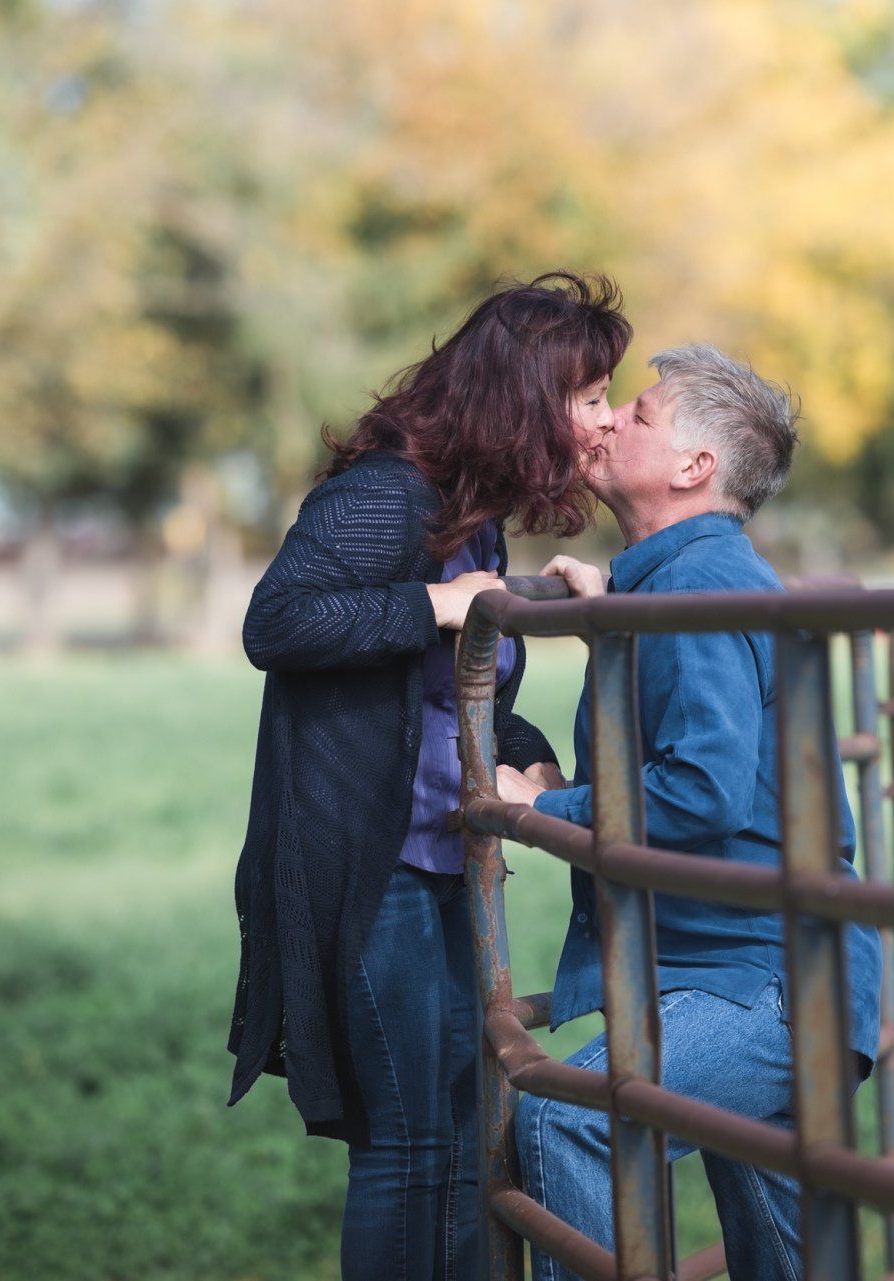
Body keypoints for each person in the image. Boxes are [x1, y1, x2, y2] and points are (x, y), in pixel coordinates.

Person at [226, 272, 631, 1280]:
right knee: (410, 1145)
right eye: (587, 398)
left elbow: (433, 689)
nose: (606, 419)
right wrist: (437, 604)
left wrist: (519, 736)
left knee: (455, 1136)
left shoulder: (467, 513)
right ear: (525, 400)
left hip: (434, 861)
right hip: (372, 872)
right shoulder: (386, 495)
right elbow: (276, 622)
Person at [497, 343, 882, 1281]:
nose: (608, 419)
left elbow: (699, 788)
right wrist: (612, 610)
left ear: (693, 467)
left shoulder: (700, 589)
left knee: (570, 1119)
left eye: (637, 412)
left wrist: (551, 804)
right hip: (763, 967)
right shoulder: (679, 580)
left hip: (756, 982)